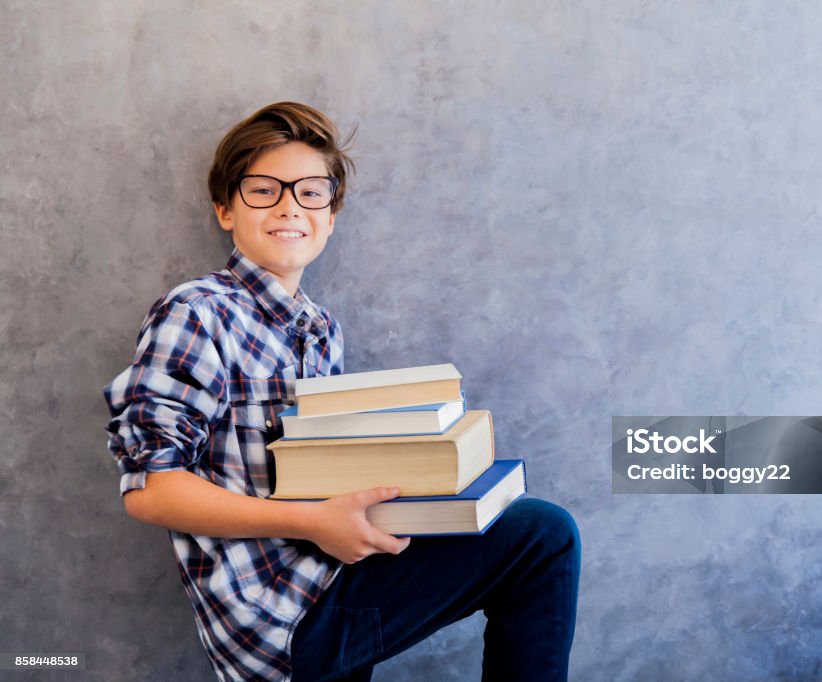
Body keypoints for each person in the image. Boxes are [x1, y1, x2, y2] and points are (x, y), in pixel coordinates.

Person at [102, 102, 581, 682]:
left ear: (331, 216)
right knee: (544, 537)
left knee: (510, 516)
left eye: (310, 193)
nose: (288, 206)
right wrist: (310, 521)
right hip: (278, 614)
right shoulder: (198, 313)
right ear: (225, 210)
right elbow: (151, 490)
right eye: (263, 190)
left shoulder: (322, 330)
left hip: (337, 564)